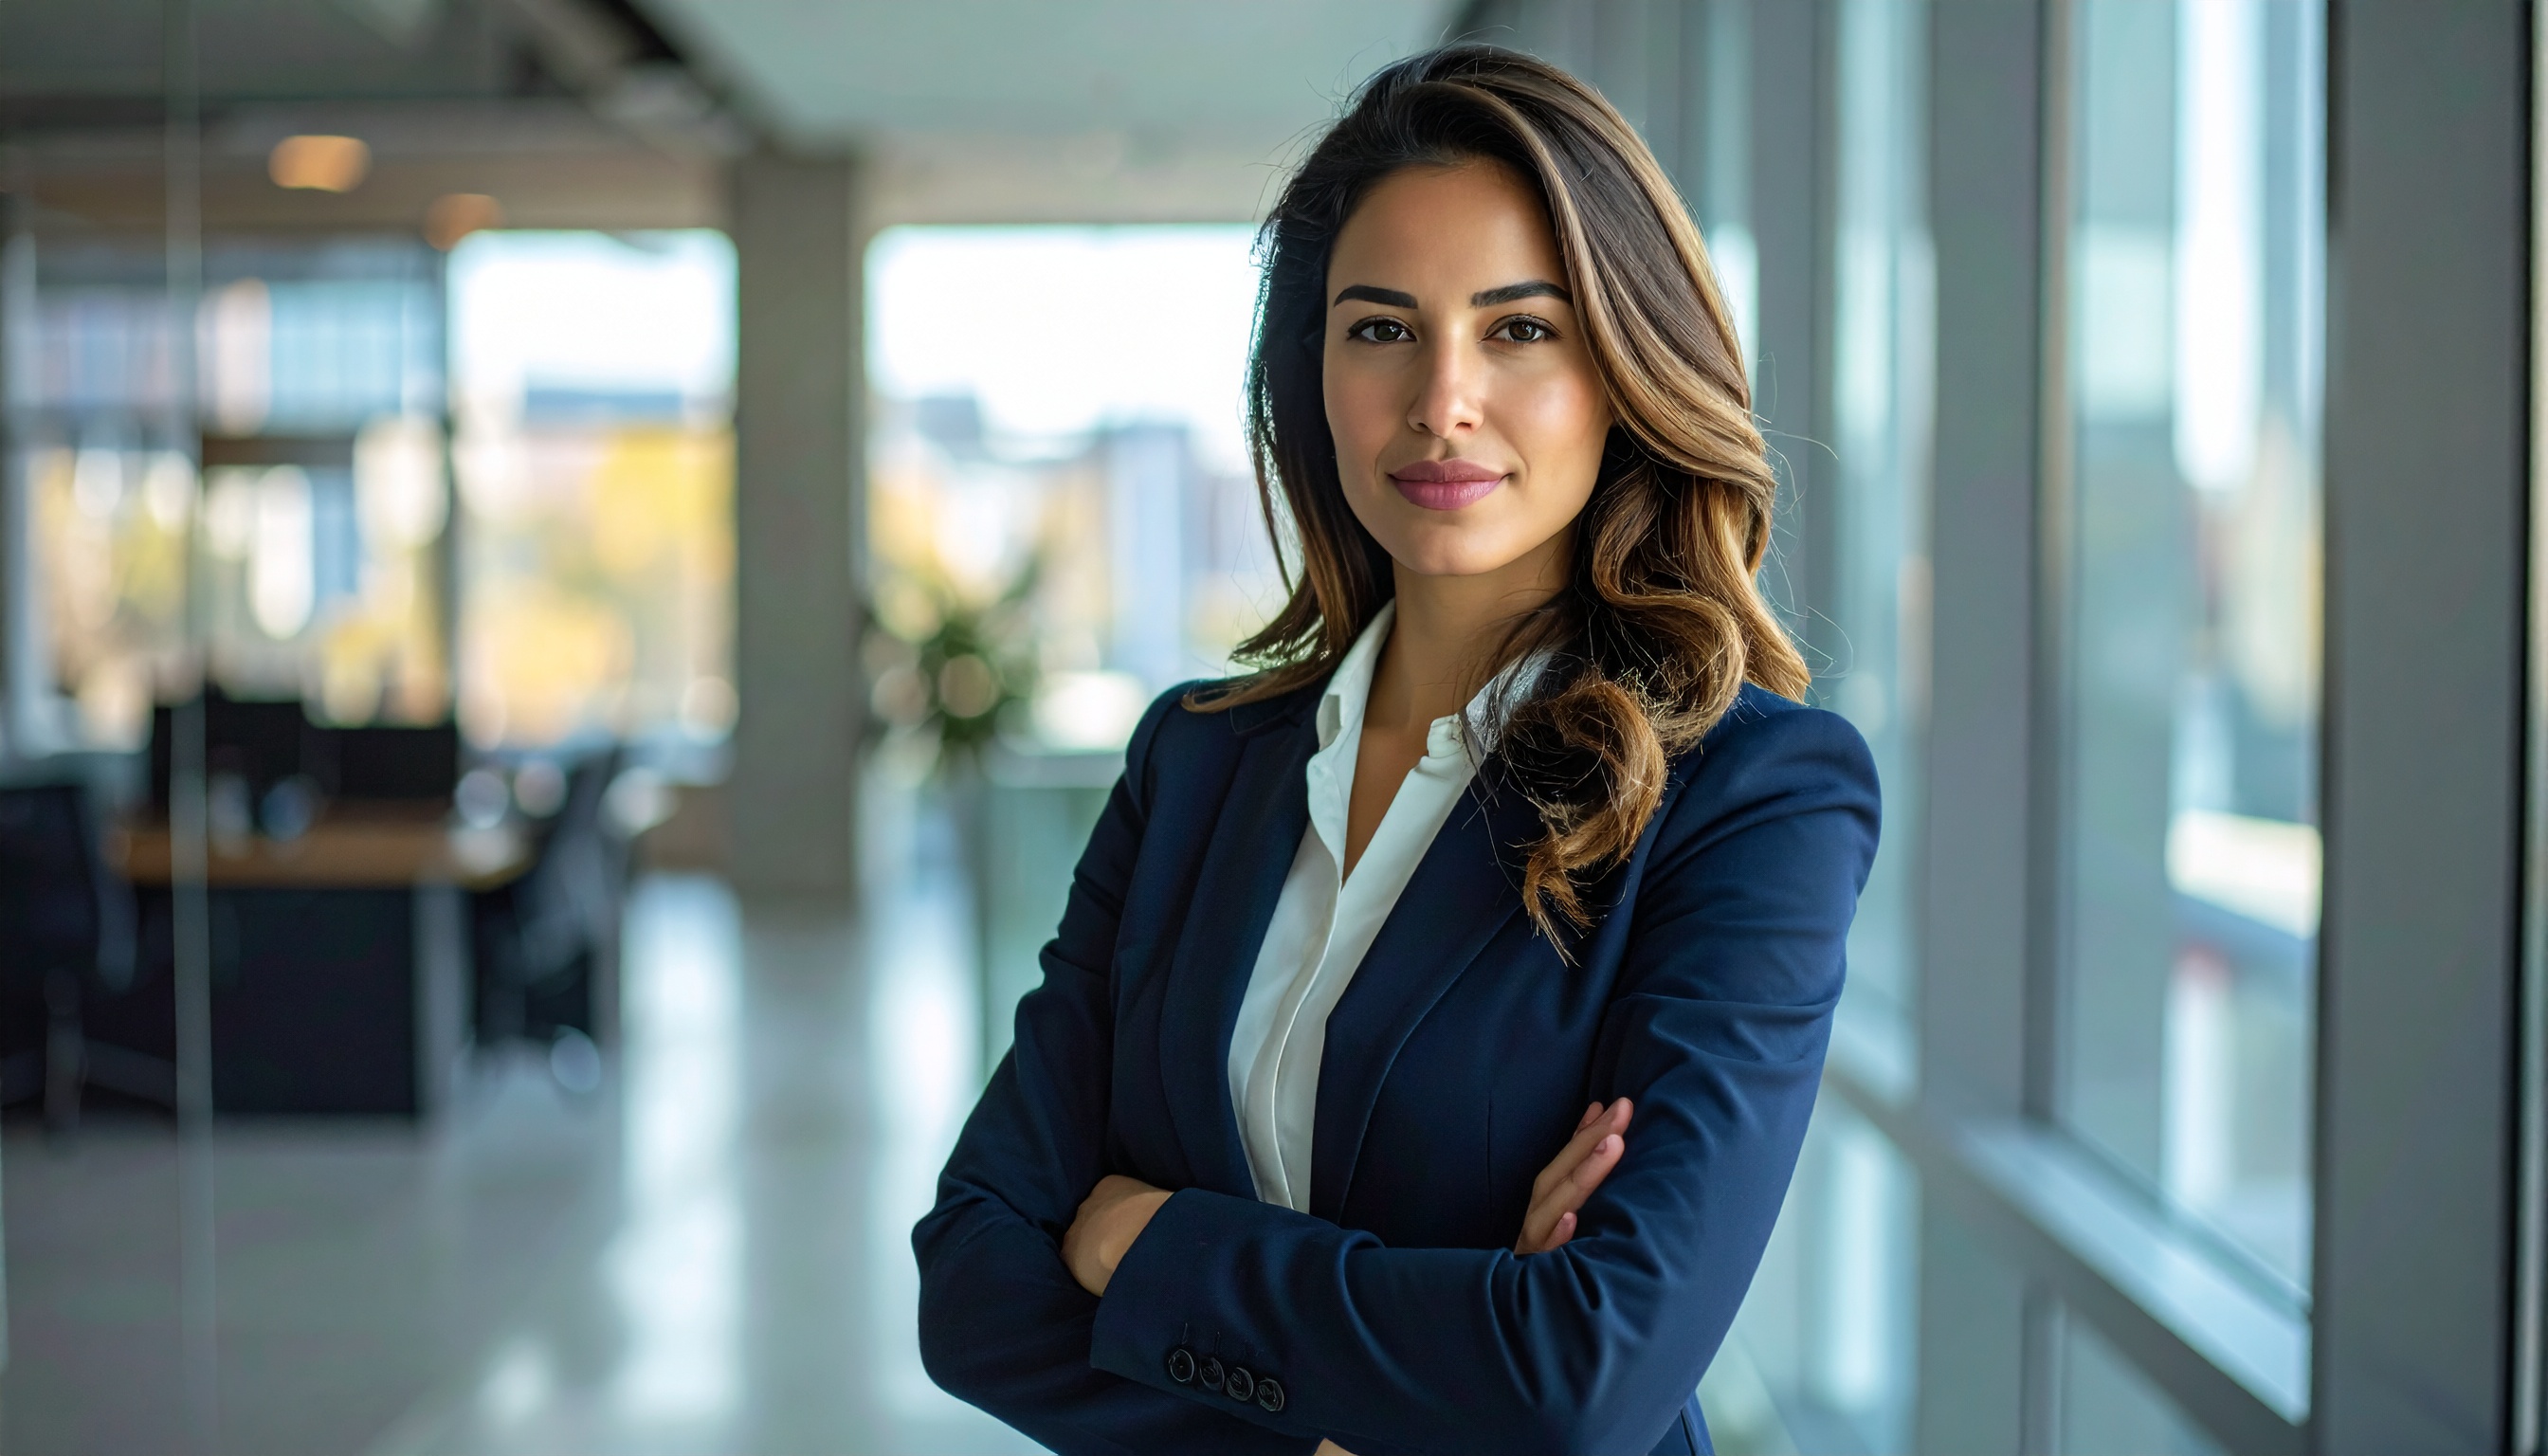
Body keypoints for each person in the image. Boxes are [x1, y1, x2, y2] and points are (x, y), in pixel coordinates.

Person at [913, 43, 1879, 1456]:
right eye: (1380, 329)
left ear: (1624, 368)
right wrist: (1417, 1372)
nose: (1442, 400)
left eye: (1520, 329)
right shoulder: (1193, 765)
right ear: (1309, 371)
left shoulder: (1749, 798)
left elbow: (1582, 1374)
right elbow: (971, 1287)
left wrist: (1145, 1242)